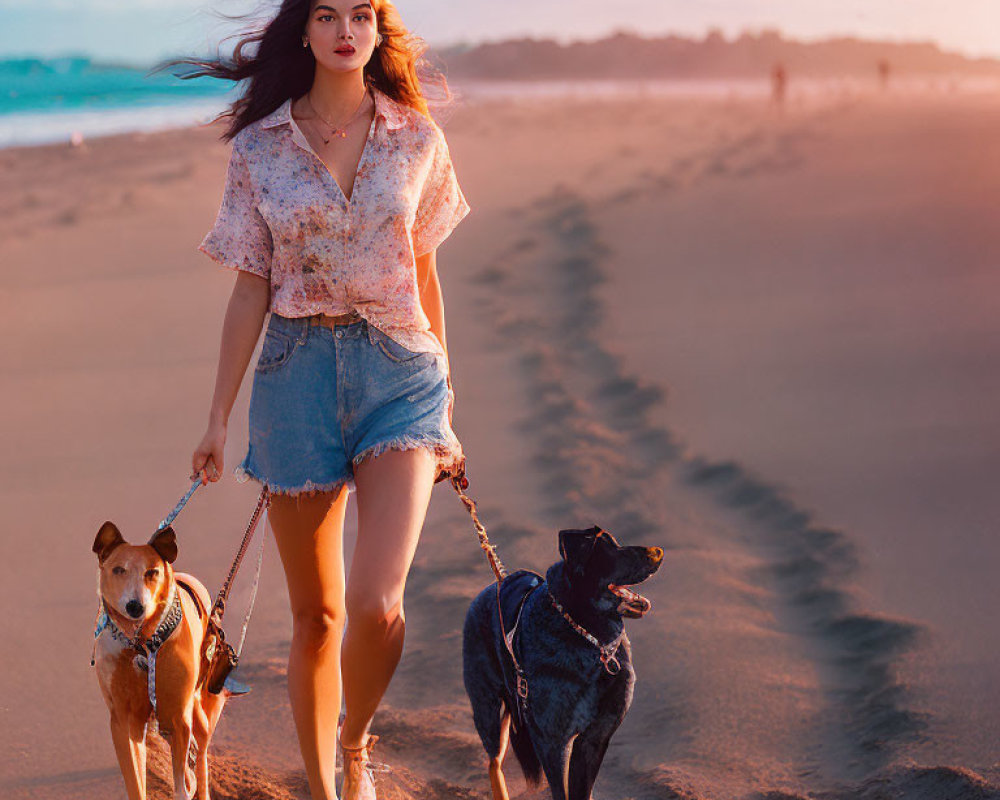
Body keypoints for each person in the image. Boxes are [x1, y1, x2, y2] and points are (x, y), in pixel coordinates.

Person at [162, 2, 471, 798]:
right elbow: (249, 288)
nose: (345, 29)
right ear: (303, 31)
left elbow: (425, 272)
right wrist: (217, 417)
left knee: (377, 603)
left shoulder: (417, 139)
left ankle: (358, 740)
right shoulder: (260, 149)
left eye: (361, 14)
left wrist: (446, 407)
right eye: (327, 14)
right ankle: (325, 786)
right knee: (318, 619)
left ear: (377, 30)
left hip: (400, 374)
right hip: (293, 378)